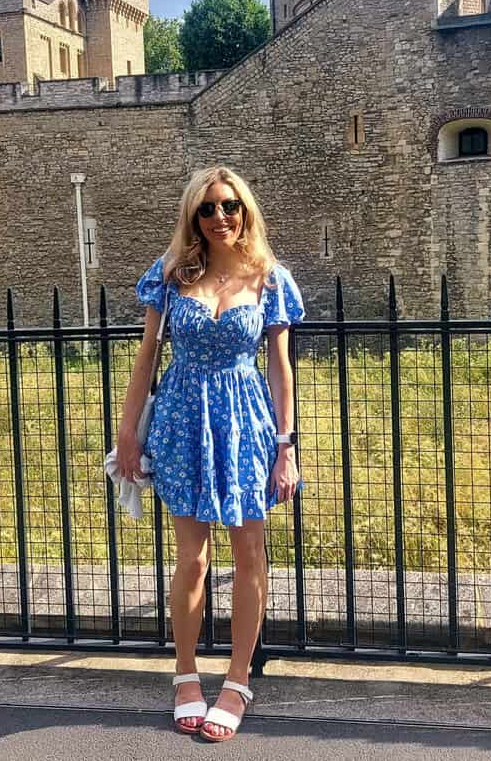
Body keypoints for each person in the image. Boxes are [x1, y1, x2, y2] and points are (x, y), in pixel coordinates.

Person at [115, 165, 306, 742]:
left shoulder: (269, 279)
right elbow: (147, 356)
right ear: (192, 217)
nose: (220, 217)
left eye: (229, 206)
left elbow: (279, 368)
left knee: (250, 552)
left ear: (245, 211)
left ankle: (238, 680)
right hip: (180, 422)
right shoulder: (171, 275)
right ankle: (186, 675)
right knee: (191, 558)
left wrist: (285, 447)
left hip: (247, 424)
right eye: (207, 208)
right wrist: (127, 435)